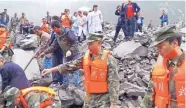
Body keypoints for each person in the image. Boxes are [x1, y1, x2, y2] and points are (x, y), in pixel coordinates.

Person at [42, 33, 120, 108]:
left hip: (104, 99)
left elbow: (114, 82)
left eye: (91, 44)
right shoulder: (86, 58)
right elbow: (70, 65)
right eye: (88, 44)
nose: (88, 47)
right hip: (89, 98)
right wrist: (51, 70)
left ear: (99, 43)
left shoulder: (109, 59)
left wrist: (113, 103)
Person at [140, 25, 185, 108]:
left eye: (160, 46)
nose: (158, 51)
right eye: (157, 47)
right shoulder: (157, 68)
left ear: (175, 43)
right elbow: (150, 93)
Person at [39, 20, 80, 88]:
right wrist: (44, 52)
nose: (53, 30)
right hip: (65, 54)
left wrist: (70, 50)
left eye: (53, 28)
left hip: (74, 54)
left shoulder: (68, 32)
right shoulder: (57, 35)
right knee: (64, 69)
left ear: (55, 27)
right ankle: (65, 85)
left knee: (75, 70)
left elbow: (75, 42)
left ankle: (75, 86)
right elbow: (54, 46)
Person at [46, 16, 63, 85]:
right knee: (54, 66)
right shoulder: (53, 31)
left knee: (61, 67)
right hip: (54, 52)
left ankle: (61, 82)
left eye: (52, 21)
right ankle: (55, 81)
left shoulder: (61, 31)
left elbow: (55, 43)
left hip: (60, 51)